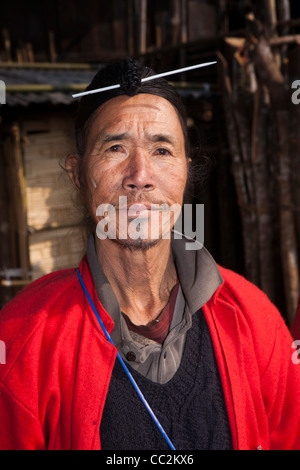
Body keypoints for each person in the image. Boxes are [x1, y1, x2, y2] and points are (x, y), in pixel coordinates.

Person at [0, 58, 299, 451]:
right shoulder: (22, 343)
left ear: (185, 171)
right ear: (77, 175)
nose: (139, 174)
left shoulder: (256, 323)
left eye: (162, 149)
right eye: (116, 147)